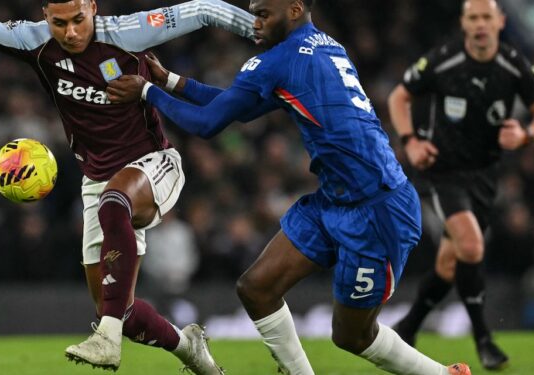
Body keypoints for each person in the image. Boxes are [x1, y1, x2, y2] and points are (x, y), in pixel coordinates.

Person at [106, 0, 472, 374]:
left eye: (263, 13)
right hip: (334, 199)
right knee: (256, 288)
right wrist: (169, 81)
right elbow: (241, 108)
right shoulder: (324, 46)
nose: (254, 23)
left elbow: (207, 124)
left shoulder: (281, 59)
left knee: (352, 336)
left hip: (377, 210)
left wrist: (147, 92)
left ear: (295, 8)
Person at [0, 0, 255, 372]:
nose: (71, 32)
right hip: (97, 180)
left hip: (154, 164)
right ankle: (187, 346)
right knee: (117, 306)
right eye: (60, 23)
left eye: (79, 20)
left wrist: (265, 32)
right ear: (45, 15)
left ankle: (105, 337)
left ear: (92, 8)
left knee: (115, 202)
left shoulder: (129, 32)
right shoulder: (32, 41)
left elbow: (206, 8)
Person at [386, 0, 534, 370]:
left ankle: (409, 325)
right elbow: (399, 97)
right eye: (473, 17)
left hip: (484, 176)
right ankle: (484, 339)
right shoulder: (443, 59)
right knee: (472, 244)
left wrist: (526, 133)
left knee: (450, 263)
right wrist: (411, 141)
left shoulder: (514, 65)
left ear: (501, 21)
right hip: (443, 171)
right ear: (464, 23)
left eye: (486, 17)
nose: (480, 24)